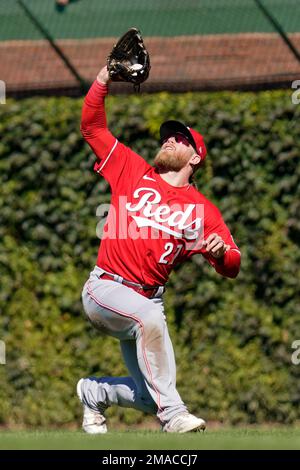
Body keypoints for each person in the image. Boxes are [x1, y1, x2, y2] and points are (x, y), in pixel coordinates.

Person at [77, 65, 241, 434]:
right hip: (105, 288)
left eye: (180, 139)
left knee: (150, 394)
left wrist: (219, 255)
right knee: (149, 321)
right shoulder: (131, 169)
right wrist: (104, 78)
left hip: (147, 300)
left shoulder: (202, 210)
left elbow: (234, 262)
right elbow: (93, 127)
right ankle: (174, 415)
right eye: (168, 136)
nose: (169, 140)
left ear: (195, 157)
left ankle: (94, 393)